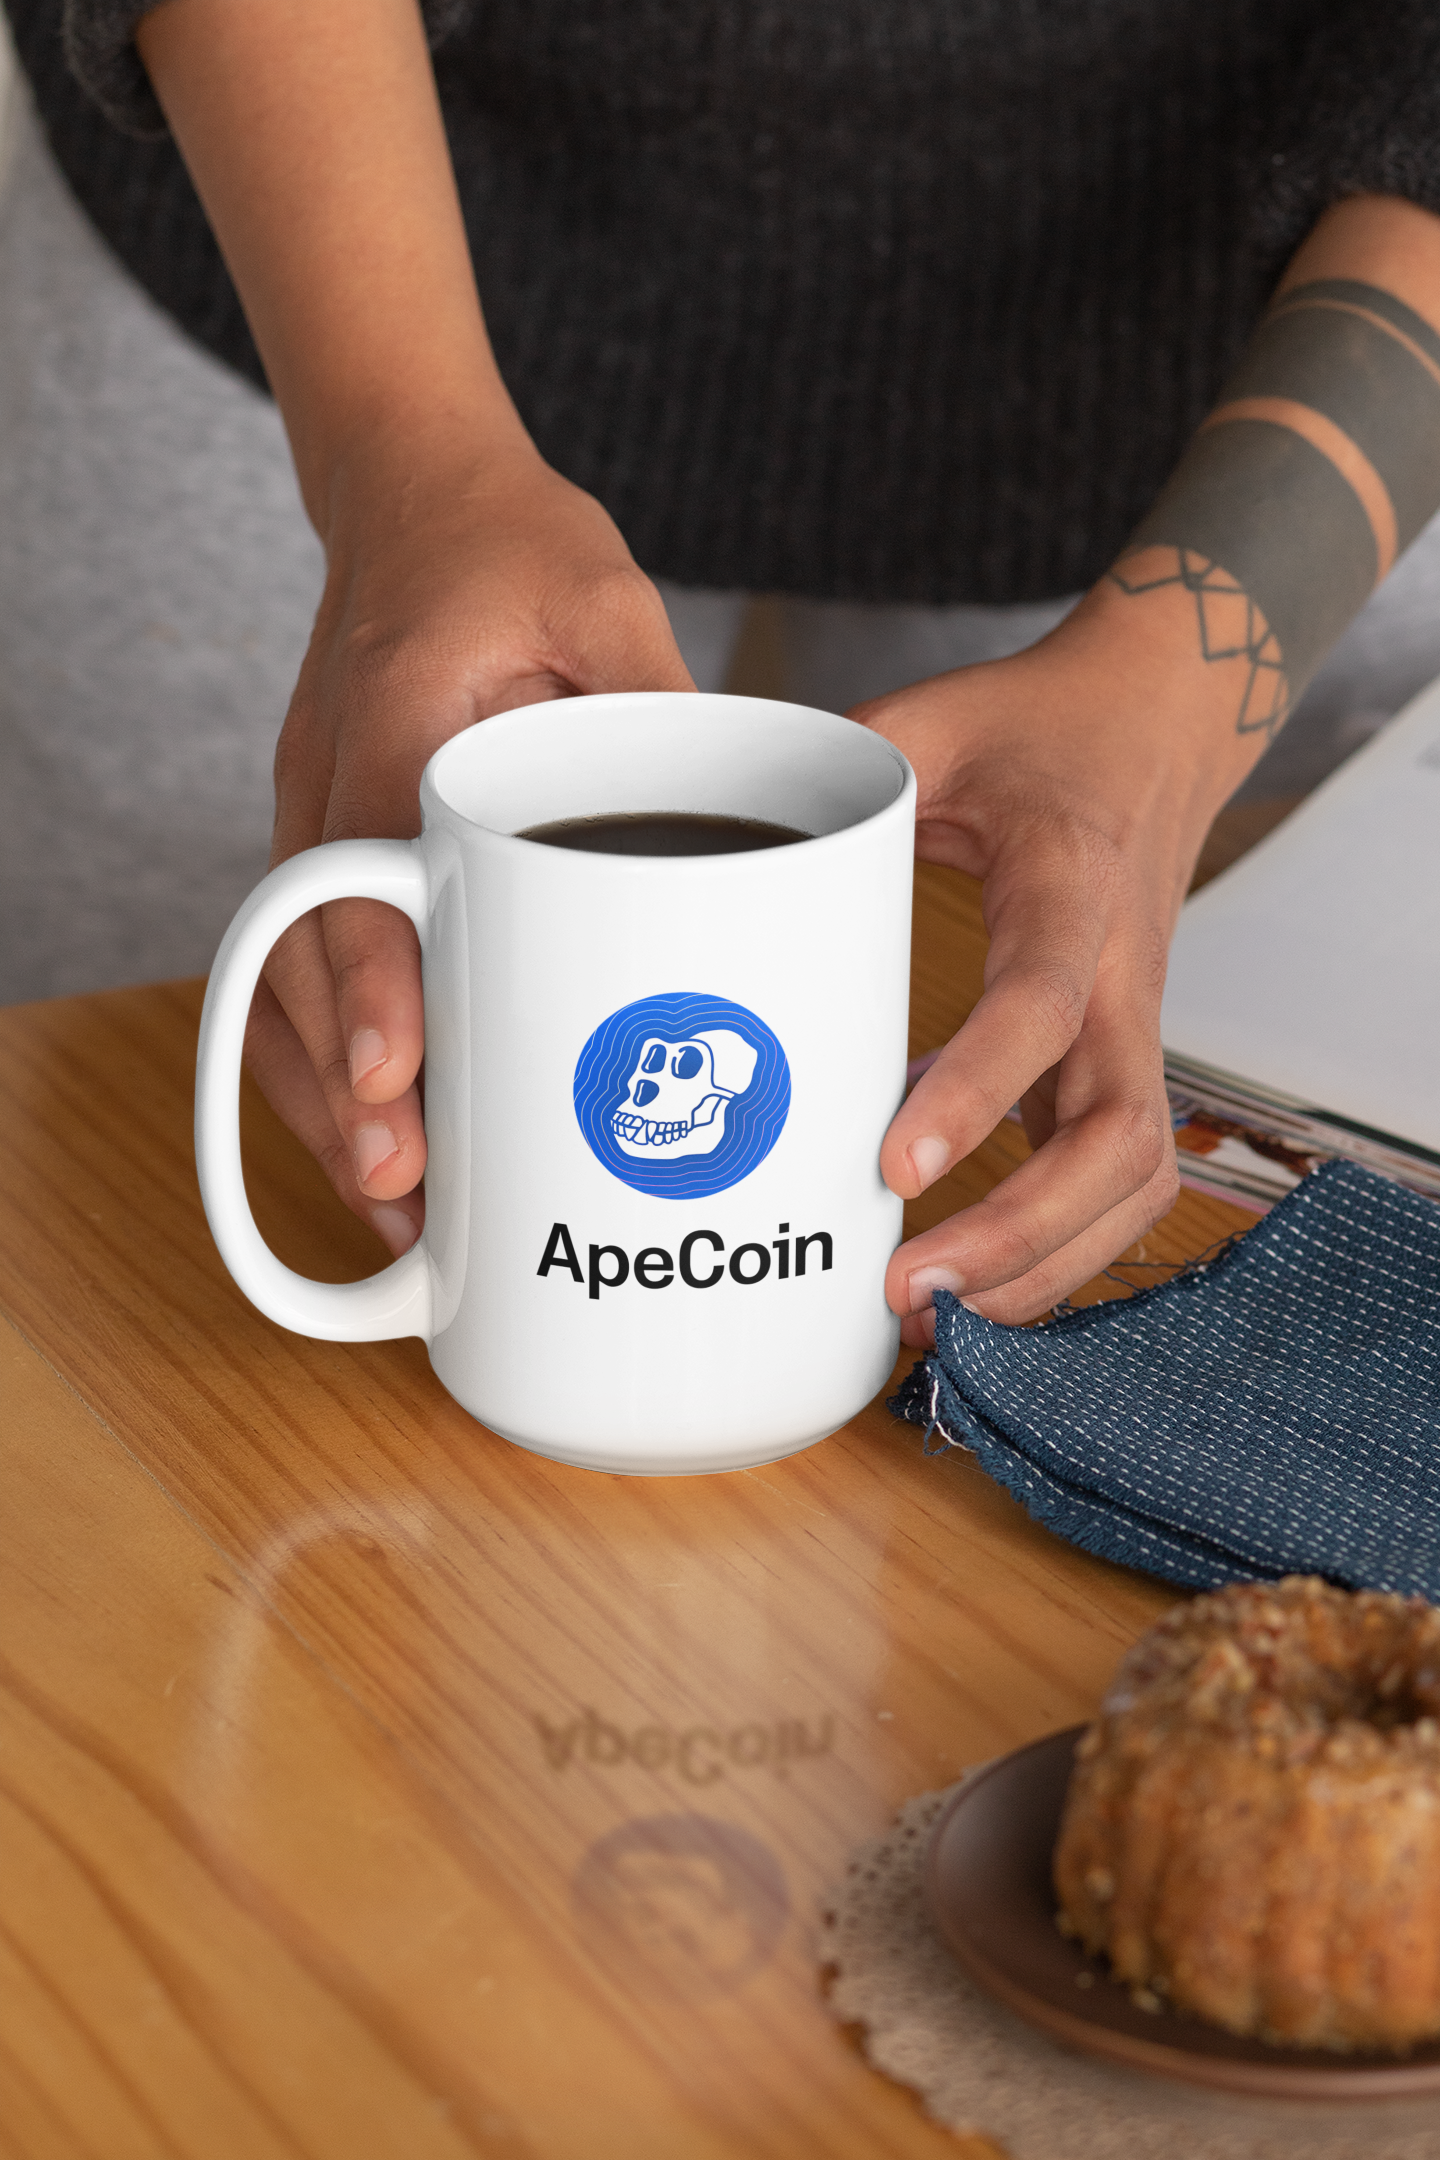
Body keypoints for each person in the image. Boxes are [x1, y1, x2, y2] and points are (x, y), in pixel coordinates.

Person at [5, 0, 1440, 1337]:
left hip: (1255, 333)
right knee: (116, 1184)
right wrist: (397, 454)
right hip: (311, 190)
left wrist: (1178, 699)